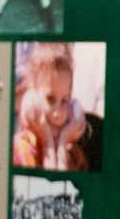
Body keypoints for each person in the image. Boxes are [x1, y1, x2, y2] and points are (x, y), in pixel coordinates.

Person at [14, 42, 90, 170]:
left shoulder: (74, 153)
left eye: (65, 101)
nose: (58, 114)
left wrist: (62, 143)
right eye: (50, 99)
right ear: (32, 98)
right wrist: (47, 142)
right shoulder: (21, 148)